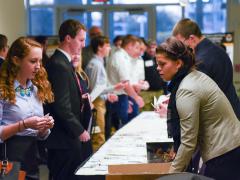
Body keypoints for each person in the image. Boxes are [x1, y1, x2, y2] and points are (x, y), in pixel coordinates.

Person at [155, 37, 240, 180]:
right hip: (231, 145)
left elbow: (188, 142)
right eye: (157, 64)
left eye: (162, 64)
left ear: (178, 63)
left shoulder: (186, 89)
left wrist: (170, 175)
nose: (158, 68)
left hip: (224, 152)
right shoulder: (193, 75)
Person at [0, 37, 54, 178]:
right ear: (16, 60)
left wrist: (43, 128)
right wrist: (24, 124)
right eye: (33, 61)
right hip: (10, 155)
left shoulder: (35, 90)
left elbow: (39, 134)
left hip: (32, 155)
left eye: (40, 61)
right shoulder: (3, 90)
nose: (38, 66)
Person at [44, 19, 91, 180]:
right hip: (63, 138)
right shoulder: (59, 64)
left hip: (66, 137)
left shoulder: (64, 62)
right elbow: (61, 106)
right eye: (81, 39)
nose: (83, 45)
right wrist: (79, 130)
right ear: (68, 38)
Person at [172, 18, 240, 120]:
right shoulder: (218, 50)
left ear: (191, 38)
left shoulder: (201, 60)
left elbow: (195, 97)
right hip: (232, 110)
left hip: (221, 118)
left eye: (181, 44)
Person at [85, 35, 123, 151]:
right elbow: (94, 88)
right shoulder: (95, 64)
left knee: (100, 134)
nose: (109, 48)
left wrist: (108, 94)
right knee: (98, 136)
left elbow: (99, 87)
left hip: (100, 102)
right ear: (99, 47)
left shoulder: (99, 62)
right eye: (107, 46)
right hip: (96, 103)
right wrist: (114, 88)